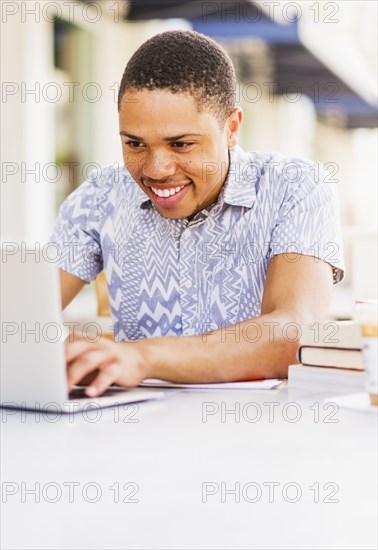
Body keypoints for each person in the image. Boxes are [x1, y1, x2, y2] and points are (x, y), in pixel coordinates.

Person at [51, 30, 344, 396]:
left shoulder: (295, 187)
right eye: (135, 144)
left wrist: (142, 357)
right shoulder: (100, 196)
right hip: (131, 431)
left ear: (232, 127)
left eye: (181, 144)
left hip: (263, 434)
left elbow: (292, 332)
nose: (156, 169)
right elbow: (19, 315)